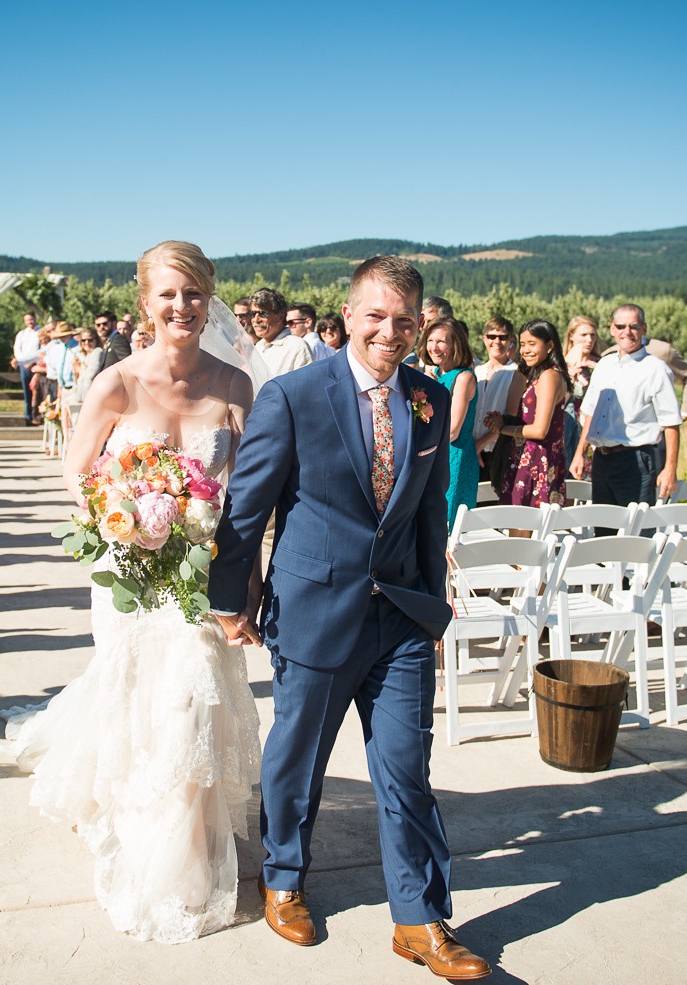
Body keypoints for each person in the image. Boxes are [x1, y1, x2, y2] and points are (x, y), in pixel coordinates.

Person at [209, 256, 491, 980]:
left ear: (420, 323)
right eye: (375, 315)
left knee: (405, 768)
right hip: (313, 610)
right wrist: (230, 596)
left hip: (400, 617)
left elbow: (429, 513)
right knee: (297, 757)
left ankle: (420, 917)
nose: (387, 332)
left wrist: (431, 605)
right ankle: (282, 876)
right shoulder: (295, 395)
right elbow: (247, 508)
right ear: (351, 312)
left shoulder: (427, 398)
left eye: (403, 320)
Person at [3, 240, 260, 945]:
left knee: (189, 704)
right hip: (128, 575)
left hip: (201, 577)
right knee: (138, 705)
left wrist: (247, 582)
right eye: (169, 294)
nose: (183, 307)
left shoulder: (236, 386)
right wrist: (125, 513)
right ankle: (139, 830)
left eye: (195, 294)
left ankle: (183, 858)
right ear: (146, 303)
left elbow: (253, 495)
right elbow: (77, 472)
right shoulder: (115, 382)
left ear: (210, 300)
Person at [569, 303, 682, 504]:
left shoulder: (655, 369)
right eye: (621, 326)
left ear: (644, 329)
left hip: (635, 460)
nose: (627, 332)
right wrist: (580, 454)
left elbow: (671, 423)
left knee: (635, 530)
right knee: (603, 531)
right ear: (613, 329)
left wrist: (670, 469)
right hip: (601, 460)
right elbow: (591, 413)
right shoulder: (604, 365)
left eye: (633, 326)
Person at [487, 318, 569, 510]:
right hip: (524, 459)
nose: (525, 350)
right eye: (522, 344)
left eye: (532, 344)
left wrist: (502, 429)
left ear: (549, 345)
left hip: (537, 462)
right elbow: (518, 414)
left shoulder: (550, 376)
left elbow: (540, 431)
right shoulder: (533, 374)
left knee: (524, 532)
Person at [422, 317, 479, 528]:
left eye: (441, 341)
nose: (433, 347)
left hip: (455, 458)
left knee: (447, 525)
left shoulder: (464, 378)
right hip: (432, 456)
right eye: (430, 340)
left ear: (455, 344)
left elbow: (453, 431)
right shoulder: (434, 374)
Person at [472, 317, 525, 502]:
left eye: (502, 337)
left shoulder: (516, 373)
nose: (497, 342)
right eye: (492, 336)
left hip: (498, 450)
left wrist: (480, 444)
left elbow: (510, 416)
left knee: (494, 509)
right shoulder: (476, 371)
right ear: (484, 339)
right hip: (472, 450)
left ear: (511, 340)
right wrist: (473, 446)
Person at [562, 314, 600, 472]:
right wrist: (569, 375)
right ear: (571, 336)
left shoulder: (601, 364)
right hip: (566, 424)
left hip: (592, 426)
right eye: (584, 335)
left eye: (592, 335)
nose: (589, 340)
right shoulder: (560, 364)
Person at [249, 287, 312, 377]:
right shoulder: (258, 348)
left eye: (263, 314)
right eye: (253, 314)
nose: (256, 320)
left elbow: (305, 386)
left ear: (280, 317)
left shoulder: (297, 347)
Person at [10, 311, 41, 424]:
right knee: (27, 391)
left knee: (38, 391)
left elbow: (41, 350)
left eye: (31, 319)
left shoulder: (40, 332)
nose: (29, 322)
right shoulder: (22, 334)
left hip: (36, 364)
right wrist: (21, 360)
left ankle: (37, 415)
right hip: (24, 364)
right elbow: (17, 349)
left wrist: (33, 361)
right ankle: (27, 416)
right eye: (27, 320)